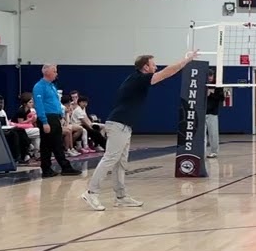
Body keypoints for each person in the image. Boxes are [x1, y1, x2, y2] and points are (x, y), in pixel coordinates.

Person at [82, 51, 196, 211]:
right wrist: (186, 61)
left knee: (121, 164)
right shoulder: (140, 78)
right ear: (145, 67)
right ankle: (91, 192)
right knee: (110, 159)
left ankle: (121, 197)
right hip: (118, 124)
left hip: (124, 126)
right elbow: (167, 73)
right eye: (153, 64)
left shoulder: (136, 79)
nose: (156, 67)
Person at [33, 64, 80, 177]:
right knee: (48, 145)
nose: (56, 73)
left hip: (55, 117)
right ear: (47, 72)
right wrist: (44, 122)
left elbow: (55, 103)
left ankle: (60, 167)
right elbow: (39, 105)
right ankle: (51, 168)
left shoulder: (52, 86)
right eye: (54, 71)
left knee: (55, 143)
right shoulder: (39, 86)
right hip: (48, 117)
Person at [206, 71, 224, 158]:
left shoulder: (218, 86)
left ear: (214, 76)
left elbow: (222, 98)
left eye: (211, 75)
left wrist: (211, 94)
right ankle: (201, 152)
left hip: (212, 113)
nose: (210, 77)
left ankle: (214, 151)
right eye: (208, 75)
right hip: (201, 113)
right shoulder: (201, 84)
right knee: (201, 135)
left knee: (213, 134)